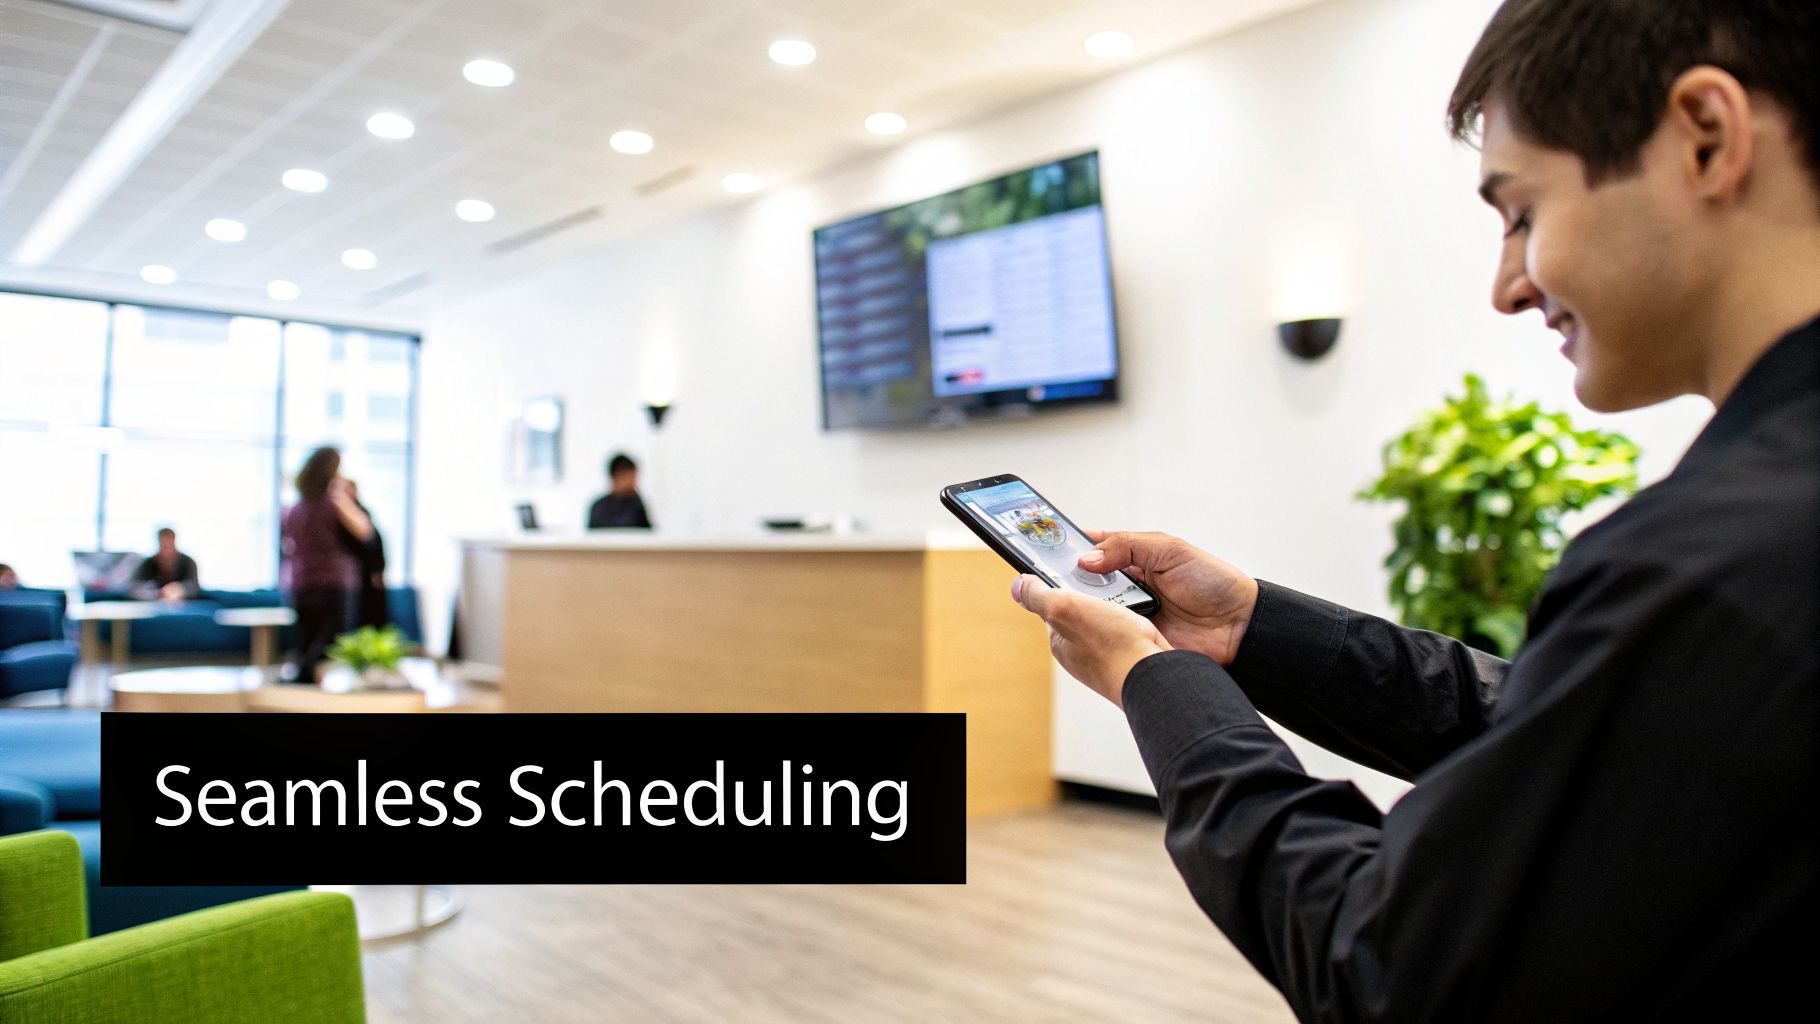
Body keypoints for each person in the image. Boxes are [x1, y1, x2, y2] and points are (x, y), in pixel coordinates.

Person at [1009, 2, 1817, 1019]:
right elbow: (1550, 723)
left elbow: (1385, 965)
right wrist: (1252, 627)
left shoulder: (1709, 560)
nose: (1506, 286)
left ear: (1705, 135)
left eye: (1520, 211)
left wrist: (1155, 686)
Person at [281, 447, 372, 683]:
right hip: (333, 584)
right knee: (330, 642)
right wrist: (342, 495)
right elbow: (364, 530)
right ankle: (302, 681)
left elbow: (288, 546)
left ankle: (300, 687)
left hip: (300, 584)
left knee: (307, 641)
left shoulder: (294, 508)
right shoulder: (334, 502)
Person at [337, 479, 390, 630]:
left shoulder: (361, 514)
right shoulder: (340, 515)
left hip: (367, 572)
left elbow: (374, 543)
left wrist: (377, 569)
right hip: (351, 575)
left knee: (371, 612)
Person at [128, 528, 199, 601]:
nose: (167, 550)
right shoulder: (148, 564)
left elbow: (194, 587)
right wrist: (158, 594)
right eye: (164, 545)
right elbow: (135, 588)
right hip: (153, 607)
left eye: (169, 545)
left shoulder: (188, 562)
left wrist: (180, 590)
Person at [587, 452, 652, 529]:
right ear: (615, 477)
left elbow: (648, 534)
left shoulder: (636, 505)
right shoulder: (599, 507)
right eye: (629, 478)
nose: (633, 483)